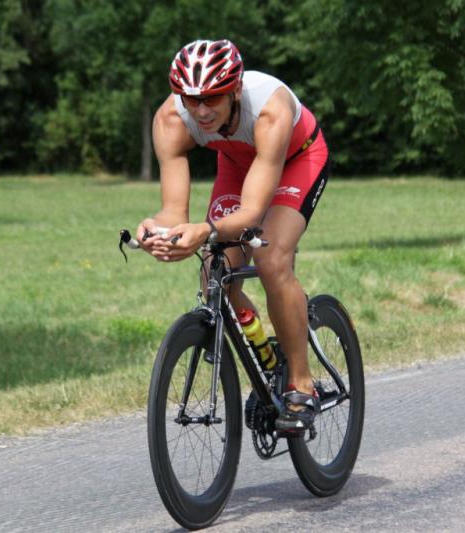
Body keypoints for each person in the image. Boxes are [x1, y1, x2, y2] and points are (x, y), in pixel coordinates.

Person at [136, 39, 329, 432]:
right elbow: (173, 211)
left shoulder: (270, 109)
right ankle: (264, 356)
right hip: (238, 164)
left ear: (235, 89)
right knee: (215, 271)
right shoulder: (171, 119)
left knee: (271, 258)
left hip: (297, 159)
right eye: (192, 99)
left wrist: (205, 229)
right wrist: (159, 230)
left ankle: (302, 383)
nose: (201, 110)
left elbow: (252, 214)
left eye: (212, 98)